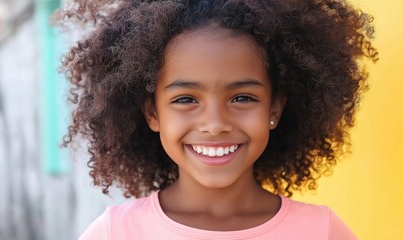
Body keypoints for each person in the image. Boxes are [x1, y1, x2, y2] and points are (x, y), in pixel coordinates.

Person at [59, 0, 378, 239]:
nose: (215, 123)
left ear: (274, 109)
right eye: (185, 99)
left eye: (242, 98)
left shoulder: (322, 232)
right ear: (153, 113)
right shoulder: (116, 233)